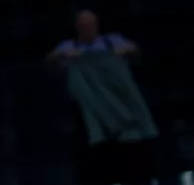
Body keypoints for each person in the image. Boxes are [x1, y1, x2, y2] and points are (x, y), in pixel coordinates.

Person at [47, 10, 157, 146]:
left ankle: (122, 122)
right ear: (78, 28)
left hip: (115, 87)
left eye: (91, 24)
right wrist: (63, 55)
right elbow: (50, 60)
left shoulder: (113, 39)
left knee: (118, 69)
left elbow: (135, 50)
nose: (88, 28)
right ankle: (115, 124)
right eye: (84, 25)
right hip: (90, 91)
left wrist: (125, 50)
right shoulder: (69, 45)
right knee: (77, 74)